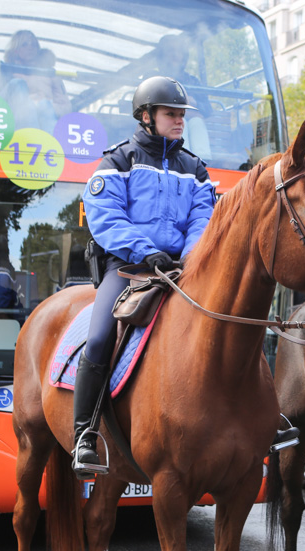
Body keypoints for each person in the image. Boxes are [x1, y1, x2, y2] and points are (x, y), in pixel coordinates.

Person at [73, 75, 215, 477]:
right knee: (100, 336)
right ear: (146, 116)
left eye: (182, 115)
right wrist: (145, 251)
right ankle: (84, 434)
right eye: (171, 114)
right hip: (129, 266)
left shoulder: (195, 169)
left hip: (182, 268)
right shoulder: (118, 161)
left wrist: (190, 257)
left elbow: (203, 219)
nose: (179, 121)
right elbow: (106, 218)